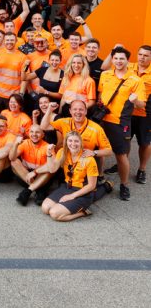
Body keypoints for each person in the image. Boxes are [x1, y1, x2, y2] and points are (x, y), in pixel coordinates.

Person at [97, 47, 147, 201]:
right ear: (112, 59)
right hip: (101, 119)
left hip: (119, 122)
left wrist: (135, 100)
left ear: (127, 60)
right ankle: (100, 176)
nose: (118, 61)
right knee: (99, 149)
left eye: (122, 58)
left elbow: (142, 104)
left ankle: (124, 185)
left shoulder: (135, 80)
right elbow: (100, 94)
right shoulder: (105, 75)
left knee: (121, 154)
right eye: (116, 58)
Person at [38, 132, 96, 221]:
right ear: (66, 142)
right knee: (45, 208)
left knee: (54, 214)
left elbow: (91, 186)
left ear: (81, 143)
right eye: (70, 141)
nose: (73, 144)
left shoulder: (89, 159)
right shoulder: (62, 152)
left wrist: (72, 196)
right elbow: (52, 170)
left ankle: (83, 212)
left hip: (82, 192)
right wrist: (49, 154)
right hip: (67, 186)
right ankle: (63, 207)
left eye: (76, 141)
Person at [9, 126, 53, 206]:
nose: (34, 134)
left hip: (41, 177)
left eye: (37, 132)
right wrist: (15, 144)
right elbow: (11, 158)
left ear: (43, 135)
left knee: (50, 169)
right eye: (32, 132)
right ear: (28, 134)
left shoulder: (48, 146)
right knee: (14, 162)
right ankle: (39, 191)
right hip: (26, 176)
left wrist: (35, 172)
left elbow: (52, 166)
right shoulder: (25, 143)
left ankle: (28, 191)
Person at [129, 45, 151, 184]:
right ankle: (122, 163)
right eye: (140, 54)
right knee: (125, 141)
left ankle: (142, 169)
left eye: (146, 55)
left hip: (145, 114)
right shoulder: (129, 67)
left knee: (144, 143)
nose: (142, 58)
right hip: (127, 112)